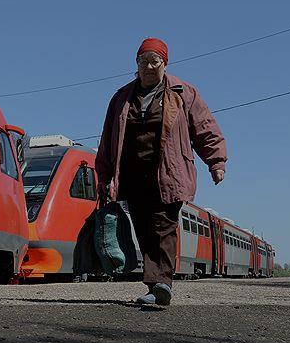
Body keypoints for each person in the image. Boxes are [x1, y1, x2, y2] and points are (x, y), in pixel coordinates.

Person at [95, 38, 227, 306]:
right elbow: (107, 139)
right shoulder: (121, 98)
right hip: (133, 175)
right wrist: (104, 176)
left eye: (154, 61)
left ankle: (162, 283)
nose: (148, 67)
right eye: (143, 61)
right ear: (136, 65)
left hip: (169, 173)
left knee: (163, 226)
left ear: (165, 64)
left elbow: (205, 128)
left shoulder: (184, 93)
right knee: (144, 229)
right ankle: (154, 286)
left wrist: (216, 161)